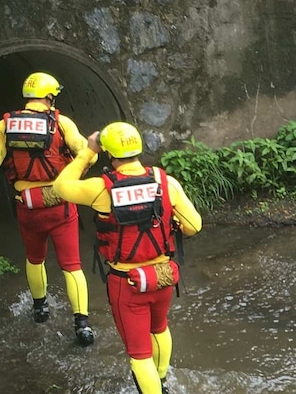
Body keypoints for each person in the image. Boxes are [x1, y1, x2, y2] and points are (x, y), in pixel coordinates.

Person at [53, 121, 202, 394]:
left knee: (139, 354)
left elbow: (61, 187)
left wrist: (88, 151)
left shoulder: (101, 188)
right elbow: (194, 225)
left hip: (127, 283)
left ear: (109, 155)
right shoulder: (165, 182)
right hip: (163, 277)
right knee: (159, 328)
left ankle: (153, 388)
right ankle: (162, 381)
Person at [0, 71, 96, 346]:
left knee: (34, 259)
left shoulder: (5, 125)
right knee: (72, 266)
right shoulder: (62, 123)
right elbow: (86, 151)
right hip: (60, 206)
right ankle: (82, 324)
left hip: (28, 207)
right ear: (50, 96)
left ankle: (40, 308)